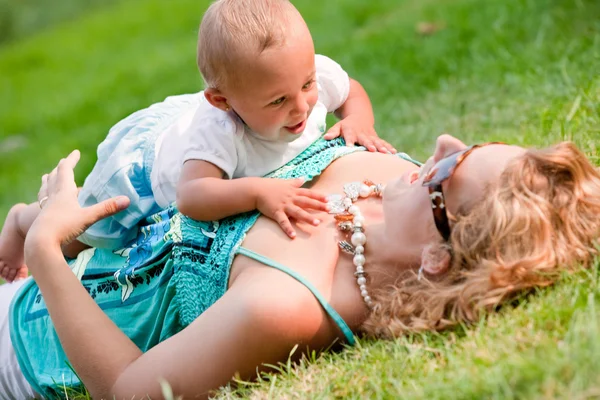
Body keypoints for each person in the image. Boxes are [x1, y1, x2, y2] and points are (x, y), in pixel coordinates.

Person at [1, 134, 599, 399]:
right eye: (466, 145)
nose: (439, 144)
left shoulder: (288, 305)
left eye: (450, 170)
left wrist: (45, 251)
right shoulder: (393, 182)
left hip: (25, 340)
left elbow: (130, 392)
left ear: (437, 259)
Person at [0, 0, 395, 282]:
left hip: (198, 129)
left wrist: (359, 121)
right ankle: (24, 220)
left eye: (306, 84)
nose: (302, 107)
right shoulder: (221, 130)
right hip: (147, 177)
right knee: (91, 231)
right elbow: (193, 196)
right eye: (278, 101)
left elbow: (349, 92)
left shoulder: (304, 78)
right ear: (223, 101)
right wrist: (258, 192)